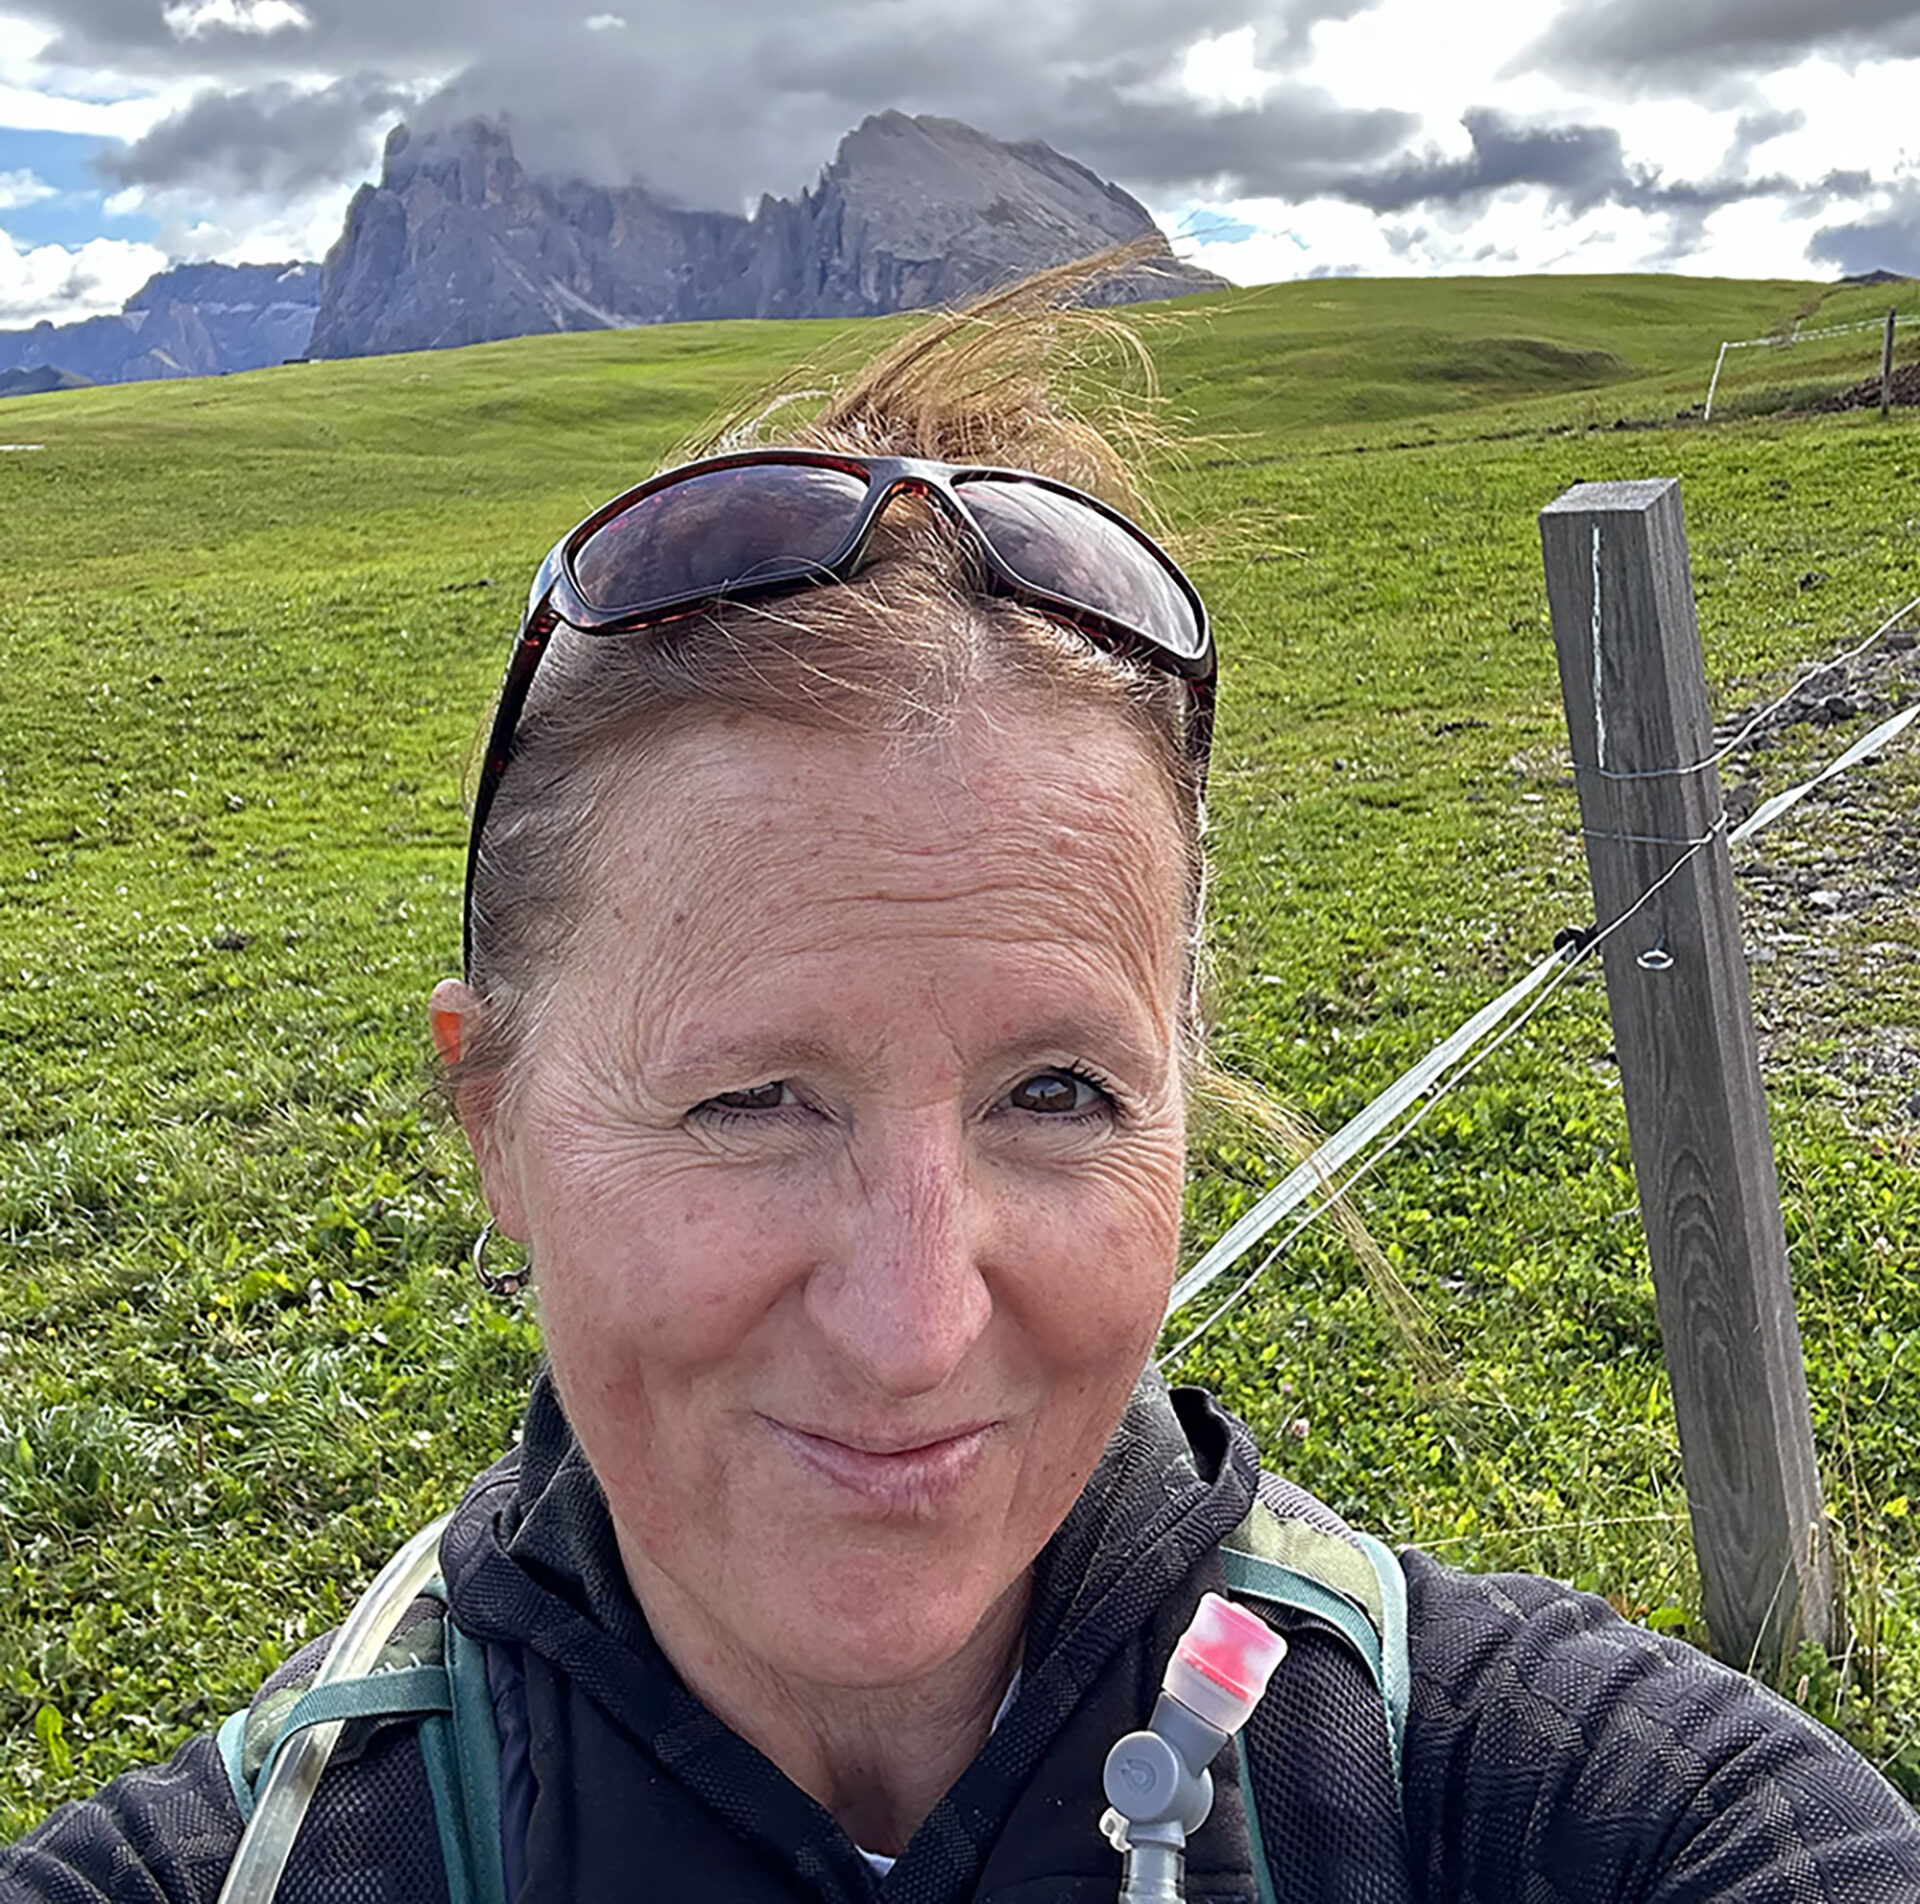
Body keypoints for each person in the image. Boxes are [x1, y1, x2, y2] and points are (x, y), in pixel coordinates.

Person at [4, 263, 1918, 1904]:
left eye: (1059, 1094)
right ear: (491, 1116)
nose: (917, 1328)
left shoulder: (1544, 1797)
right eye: (754, 1099)